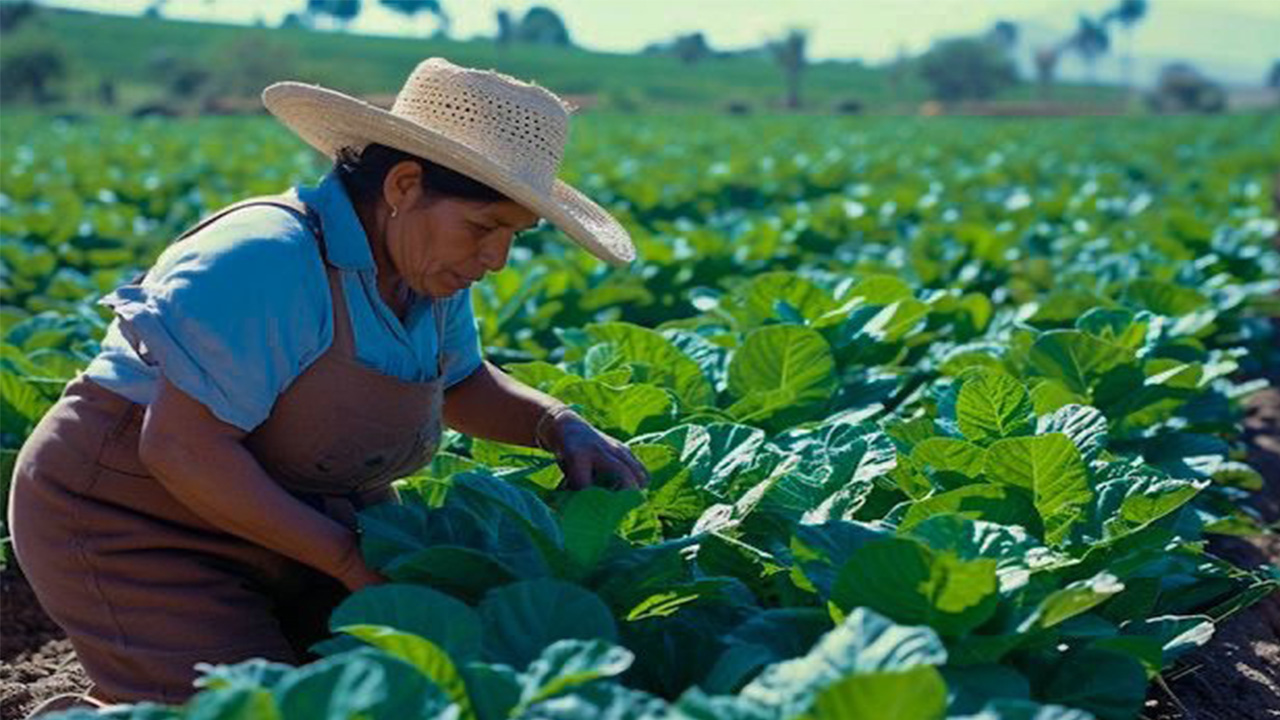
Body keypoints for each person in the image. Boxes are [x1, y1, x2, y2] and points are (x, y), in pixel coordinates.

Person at [8, 57, 649, 713]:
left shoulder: (423, 272)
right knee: (256, 708)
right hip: (135, 521)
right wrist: (346, 561)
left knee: (408, 690)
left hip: (292, 517)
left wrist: (557, 423)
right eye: (485, 227)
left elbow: (461, 383)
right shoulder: (266, 257)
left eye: (513, 234)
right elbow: (181, 451)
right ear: (403, 185)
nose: (496, 259)